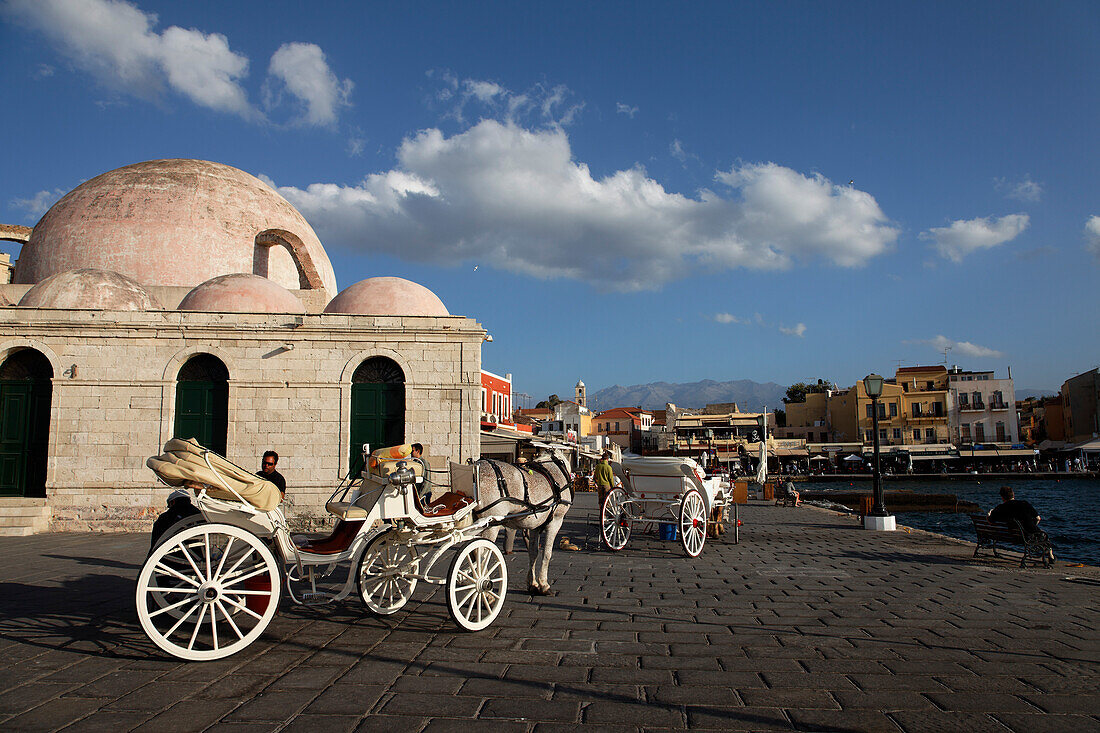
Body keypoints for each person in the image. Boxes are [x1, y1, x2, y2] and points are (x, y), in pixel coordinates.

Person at [989, 485, 1054, 562]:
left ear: (1002, 497)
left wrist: (989, 513)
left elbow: (990, 520)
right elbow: (1038, 518)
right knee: (1043, 535)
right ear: (1013, 494)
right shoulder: (1024, 504)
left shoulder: (1000, 507)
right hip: (1028, 535)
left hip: (1011, 535)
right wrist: (1033, 525)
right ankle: (1050, 555)